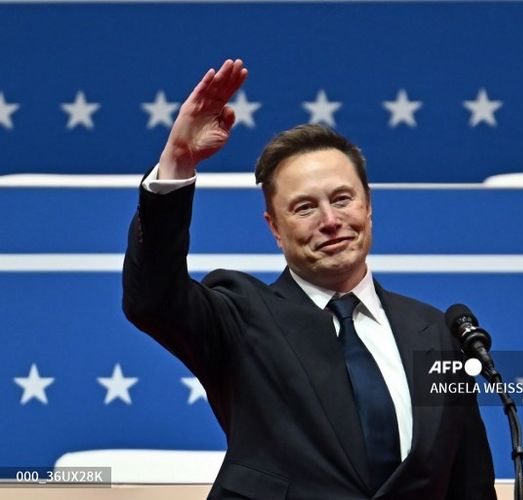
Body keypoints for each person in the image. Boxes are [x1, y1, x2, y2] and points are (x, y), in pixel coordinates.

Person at [123, 58, 496, 500]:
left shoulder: (436, 332)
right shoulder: (240, 316)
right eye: (304, 208)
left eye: (343, 199)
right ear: (274, 228)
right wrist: (178, 160)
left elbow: (467, 480)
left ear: (369, 206)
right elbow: (153, 298)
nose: (331, 220)